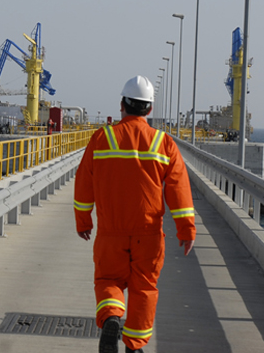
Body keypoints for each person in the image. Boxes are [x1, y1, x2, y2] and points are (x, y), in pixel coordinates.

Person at [73, 75, 196, 353]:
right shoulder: (163, 143)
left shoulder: (102, 138)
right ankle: (134, 346)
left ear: (122, 105)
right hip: (149, 234)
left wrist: (83, 220)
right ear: (149, 109)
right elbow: (179, 190)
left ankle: (112, 318)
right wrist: (186, 230)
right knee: (145, 288)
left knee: (108, 281)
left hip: (110, 233)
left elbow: (83, 182)